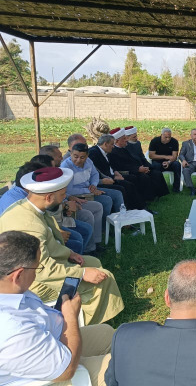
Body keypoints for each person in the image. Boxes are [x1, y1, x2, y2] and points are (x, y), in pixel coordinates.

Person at [0, 167, 124, 325]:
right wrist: (82, 273)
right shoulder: (29, 225)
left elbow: (51, 242)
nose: (64, 197)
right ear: (49, 197)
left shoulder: (30, 207)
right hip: (34, 283)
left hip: (43, 268)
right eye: (62, 194)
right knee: (104, 278)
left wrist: (69, 253)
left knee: (94, 262)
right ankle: (86, 326)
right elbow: (43, 271)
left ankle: (98, 314)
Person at [0, 231, 115, 386]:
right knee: (121, 364)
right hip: (58, 372)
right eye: (36, 268)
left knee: (108, 334)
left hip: (53, 341)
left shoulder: (10, 290)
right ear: (18, 275)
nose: (36, 274)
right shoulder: (13, 328)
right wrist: (71, 317)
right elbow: (67, 370)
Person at [0, 160, 93, 256]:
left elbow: (47, 217)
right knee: (77, 243)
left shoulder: (29, 199)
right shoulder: (20, 207)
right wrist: (56, 237)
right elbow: (40, 258)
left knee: (83, 233)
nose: (65, 196)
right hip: (21, 249)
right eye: (62, 194)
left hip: (46, 234)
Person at [61, 143, 117, 250]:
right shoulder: (66, 167)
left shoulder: (89, 162)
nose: (78, 160)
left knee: (103, 203)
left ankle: (97, 240)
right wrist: (90, 190)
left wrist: (94, 185)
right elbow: (69, 190)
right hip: (74, 196)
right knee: (94, 209)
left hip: (89, 192)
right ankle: (90, 247)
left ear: (87, 156)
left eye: (82, 157)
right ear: (70, 154)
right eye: (75, 156)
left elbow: (95, 175)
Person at [109, 127, 169, 202]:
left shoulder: (123, 148)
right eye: (124, 138)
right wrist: (138, 169)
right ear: (117, 141)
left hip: (136, 168)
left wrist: (145, 168)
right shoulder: (113, 151)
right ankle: (147, 198)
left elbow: (134, 160)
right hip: (127, 172)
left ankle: (158, 195)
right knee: (143, 177)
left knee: (156, 173)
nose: (126, 140)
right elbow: (121, 166)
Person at [89, 134, 147, 211]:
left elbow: (110, 166)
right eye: (112, 144)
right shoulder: (93, 153)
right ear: (105, 144)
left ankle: (139, 205)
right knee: (126, 186)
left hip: (112, 176)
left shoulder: (104, 151)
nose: (113, 146)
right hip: (104, 180)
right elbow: (99, 172)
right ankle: (132, 208)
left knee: (133, 178)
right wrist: (114, 177)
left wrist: (116, 172)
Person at [148, 127, 181, 193]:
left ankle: (176, 188)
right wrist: (165, 157)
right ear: (161, 135)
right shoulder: (154, 141)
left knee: (177, 164)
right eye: (166, 137)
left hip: (170, 162)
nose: (168, 139)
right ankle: (158, 188)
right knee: (155, 166)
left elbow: (174, 156)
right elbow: (151, 156)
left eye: (169, 137)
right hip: (157, 161)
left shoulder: (174, 141)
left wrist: (168, 162)